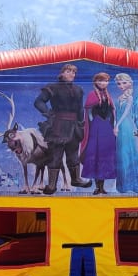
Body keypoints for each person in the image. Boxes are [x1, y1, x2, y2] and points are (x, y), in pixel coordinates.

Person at [33, 64, 92, 194]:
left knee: (73, 154)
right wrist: (48, 113)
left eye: (74, 72)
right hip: (58, 126)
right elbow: (38, 102)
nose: (72, 74)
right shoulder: (52, 87)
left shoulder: (78, 89)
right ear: (62, 73)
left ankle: (76, 179)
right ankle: (51, 186)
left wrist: (81, 124)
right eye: (68, 71)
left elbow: (80, 109)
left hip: (74, 127)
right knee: (56, 155)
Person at [80, 72, 117, 194]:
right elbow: (89, 113)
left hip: (107, 128)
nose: (103, 83)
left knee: (104, 155)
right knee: (96, 155)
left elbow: (112, 112)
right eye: (100, 80)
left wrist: (112, 125)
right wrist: (93, 124)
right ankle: (97, 186)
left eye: (105, 81)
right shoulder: (92, 95)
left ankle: (102, 187)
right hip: (96, 127)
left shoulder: (108, 95)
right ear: (96, 82)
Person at [113, 73, 138, 193]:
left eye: (124, 83)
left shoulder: (130, 98)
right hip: (119, 126)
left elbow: (125, 113)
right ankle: (122, 184)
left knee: (127, 152)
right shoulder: (119, 97)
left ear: (129, 83)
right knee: (121, 154)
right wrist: (115, 124)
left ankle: (132, 184)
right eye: (119, 83)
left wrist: (117, 125)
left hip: (125, 126)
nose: (121, 86)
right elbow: (116, 113)